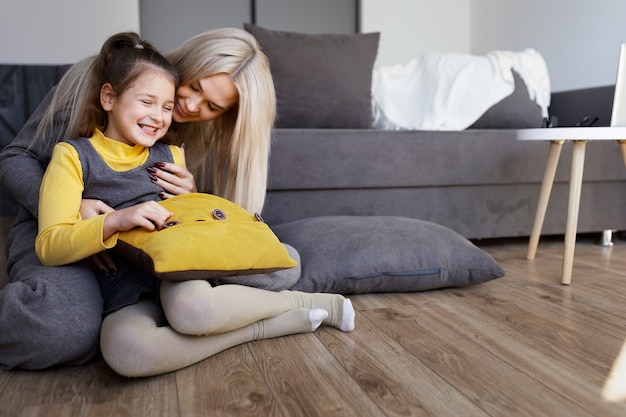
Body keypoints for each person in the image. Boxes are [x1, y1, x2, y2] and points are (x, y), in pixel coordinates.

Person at [0, 28, 346, 371]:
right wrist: (75, 209)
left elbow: (186, 217)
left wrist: (191, 197)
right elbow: (15, 157)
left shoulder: (190, 129)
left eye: (212, 105)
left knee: (277, 270)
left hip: (141, 247)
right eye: (194, 86)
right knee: (61, 329)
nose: (190, 105)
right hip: (59, 225)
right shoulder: (104, 83)